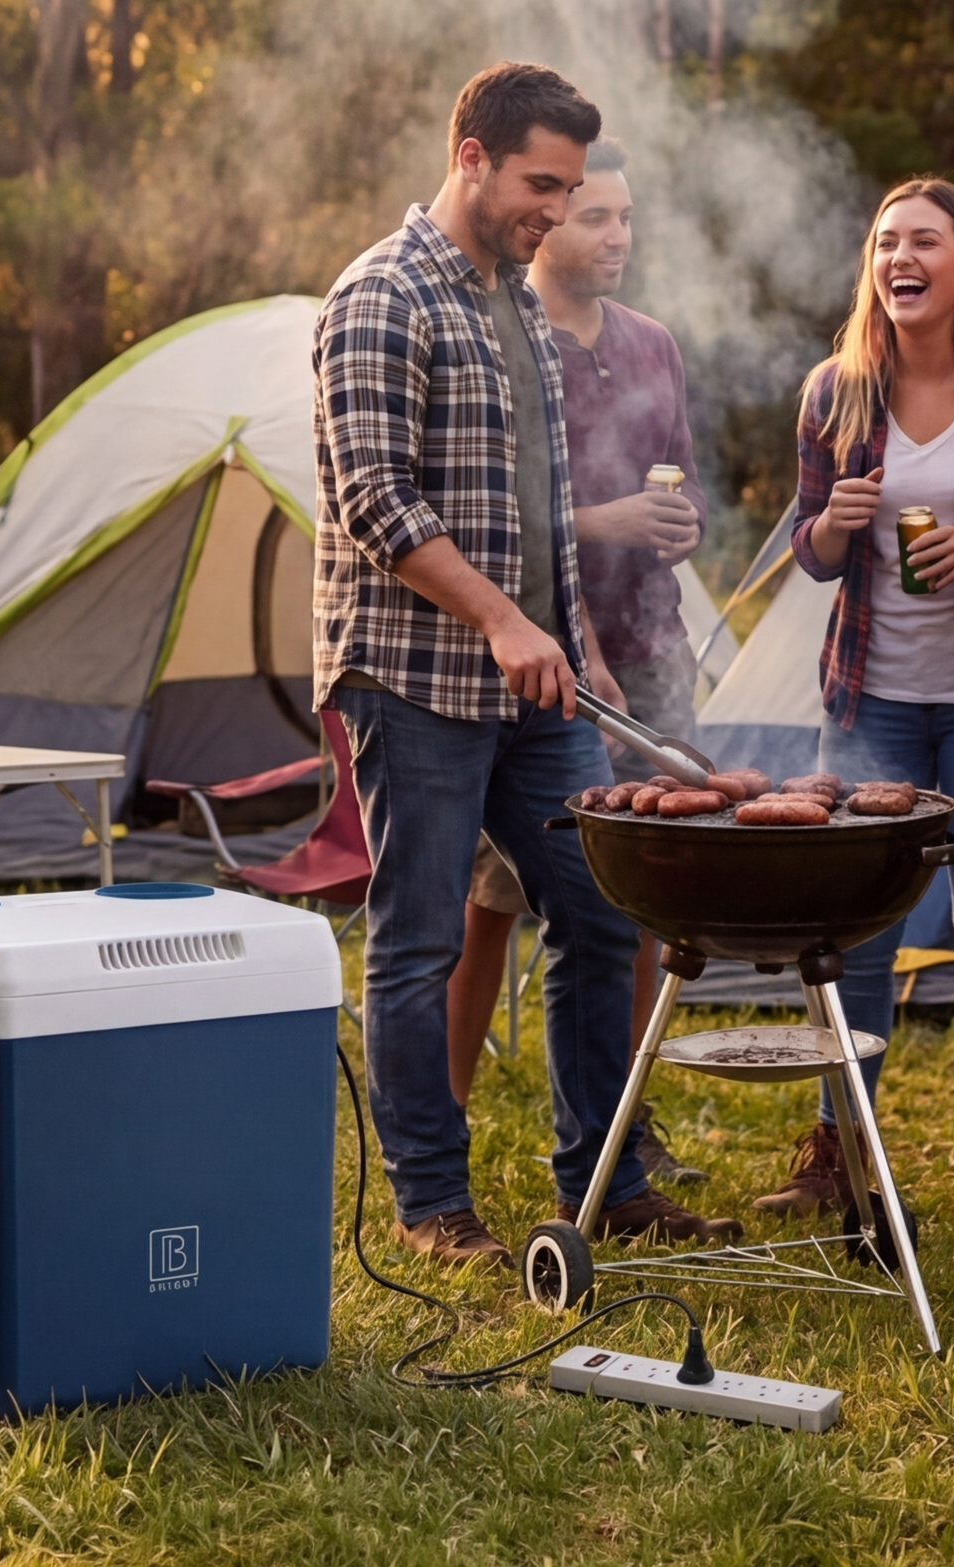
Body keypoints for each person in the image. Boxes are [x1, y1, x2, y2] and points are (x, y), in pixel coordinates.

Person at [314, 62, 741, 1269]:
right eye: (539, 184)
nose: (554, 210)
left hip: (542, 690)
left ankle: (604, 1175)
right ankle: (431, 1204)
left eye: (568, 189)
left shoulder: (514, 302)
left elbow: (546, 516)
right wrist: (504, 619)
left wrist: (573, 644)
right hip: (415, 678)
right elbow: (374, 501)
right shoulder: (381, 295)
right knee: (419, 939)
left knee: (602, 912)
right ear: (471, 158)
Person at [758, 177, 954, 1234]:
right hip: (870, 703)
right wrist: (836, 527)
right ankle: (839, 1149)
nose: (901, 256)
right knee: (856, 939)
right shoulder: (835, 392)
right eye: (886, 240)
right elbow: (807, 550)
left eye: (924, 240)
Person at [443, 137, 708, 1191]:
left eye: (624, 219)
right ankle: (445, 1117)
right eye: (594, 215)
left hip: (650, 647)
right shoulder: (508, 337)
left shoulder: (651, 344)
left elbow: (672, 478)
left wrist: (672, 527)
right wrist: (609, 517)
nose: (614, 237)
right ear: (546, 221)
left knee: (636, 897)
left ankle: (622, 1133)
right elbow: (498, 510)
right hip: (537, 657)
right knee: (498, 900)